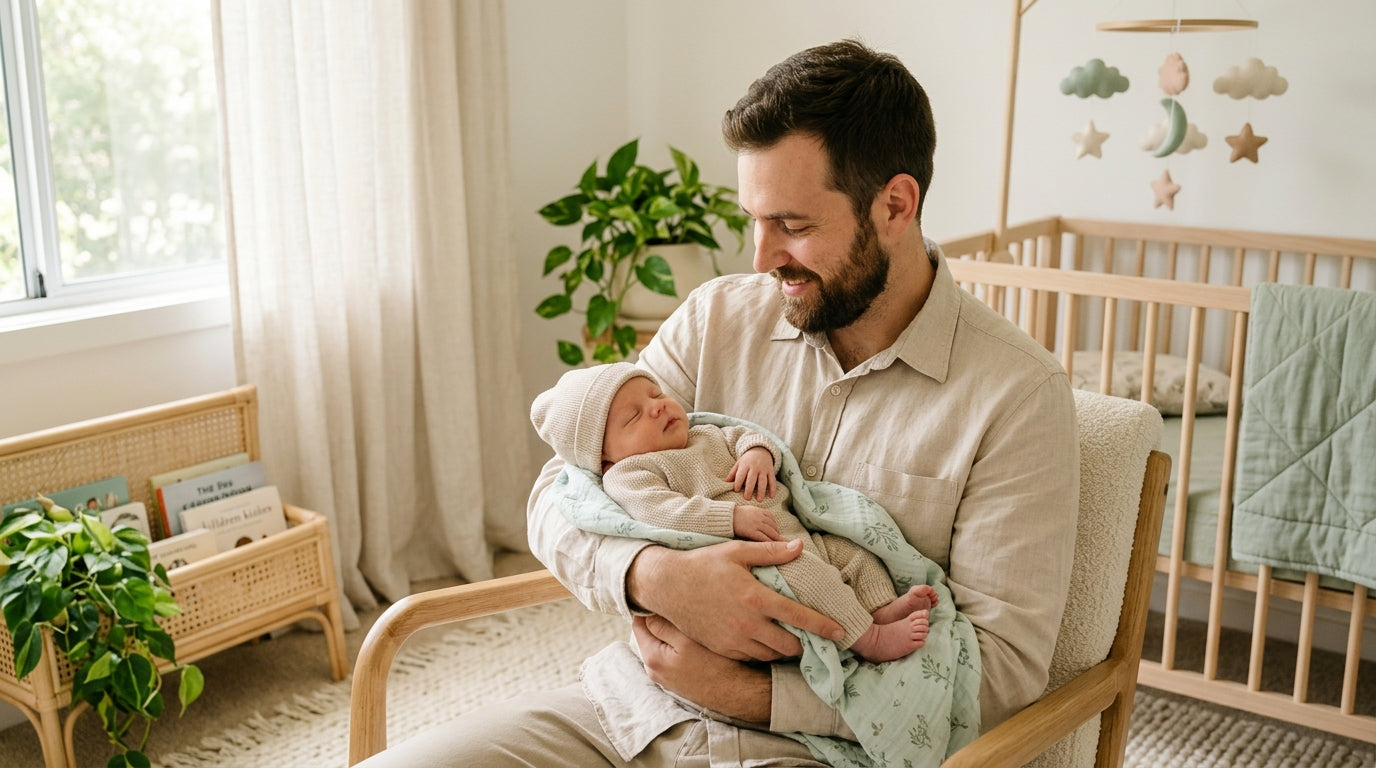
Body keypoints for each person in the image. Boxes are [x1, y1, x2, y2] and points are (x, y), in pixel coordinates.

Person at [358, 38, 1077, 767]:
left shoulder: (1016, 397)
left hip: (823, 748)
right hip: (630, 709)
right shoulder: (717, 320)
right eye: (753, 220)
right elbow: (559, 490)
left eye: (792, 226)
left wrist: (752, 698)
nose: (760, 258)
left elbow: (1004, 669)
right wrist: (655, 579)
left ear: (895, 204)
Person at [529, 361, 939, 663]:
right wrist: (731, 519)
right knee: (813, 580)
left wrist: (758, 454)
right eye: (633, 416)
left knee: (852, 554)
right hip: (755, 559)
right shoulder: (632, 473)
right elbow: (664, 513)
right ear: (603, 456)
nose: (656, 408)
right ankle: (868, 639)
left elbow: (746, 435)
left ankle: (879, 606)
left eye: (655, 395)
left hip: (797, 533)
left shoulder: (704, 433)